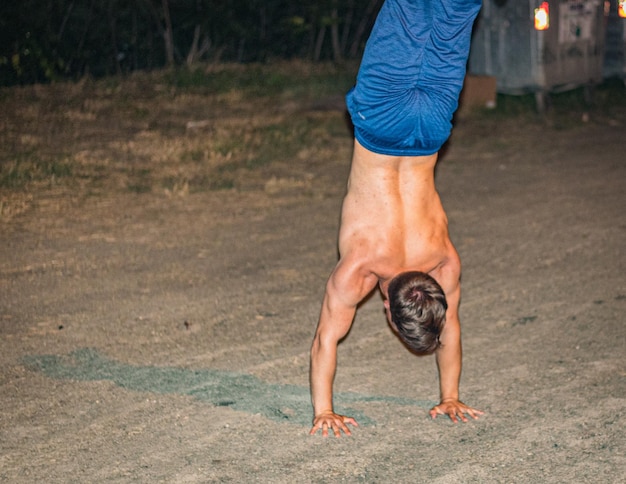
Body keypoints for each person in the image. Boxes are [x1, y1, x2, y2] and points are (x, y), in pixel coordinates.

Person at [309, 0, 484, 437]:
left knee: (455, 14)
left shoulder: (443, 260)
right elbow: (324, 342)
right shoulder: (361, 266)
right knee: (409, 9)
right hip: (381, 122)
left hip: (430, 128)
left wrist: (451, 396)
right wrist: (322, 411)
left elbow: (451, 329)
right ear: (387, 308)